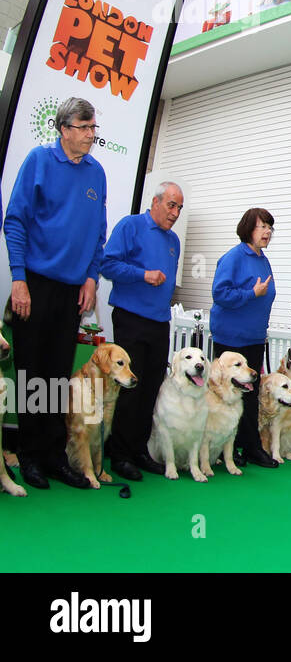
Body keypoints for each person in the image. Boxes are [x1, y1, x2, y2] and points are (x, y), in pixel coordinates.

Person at [3, 96, 106, 490]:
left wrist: (91, 278)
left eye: (94, 128)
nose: (91, 136)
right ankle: (28, 455)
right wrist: (18, 279)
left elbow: (99, 233)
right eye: (84, 128)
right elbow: (15, 221)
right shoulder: (39, 161)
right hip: (35, 284)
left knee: (57, 375)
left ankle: (54, 455)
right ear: (64, 129)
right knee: (32, 374)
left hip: (73, 290)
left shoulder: (97, 173)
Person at [101, 182, 186, 478]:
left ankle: (139, 450)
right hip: (131, 319)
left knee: (151, 386)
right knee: (130, 388)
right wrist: (143, 274)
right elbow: (107, 264)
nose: (175, 213)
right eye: (171, 205)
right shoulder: (131, 226)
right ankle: (119, 454)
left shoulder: (174, 241)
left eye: (179, 208)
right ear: (155, 202)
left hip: (159, 322)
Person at [208, 207, 279, 468]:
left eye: (271, 228)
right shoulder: (234, 257)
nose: (268, 232)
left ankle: (249, 447)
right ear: (248, 228)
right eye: (263, 226)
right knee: (227, 394)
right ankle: (224, 447)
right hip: (232, 339)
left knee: (249, 395)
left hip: (254, 337)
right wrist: (251, 294)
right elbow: (220, 294)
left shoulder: (262, 259)